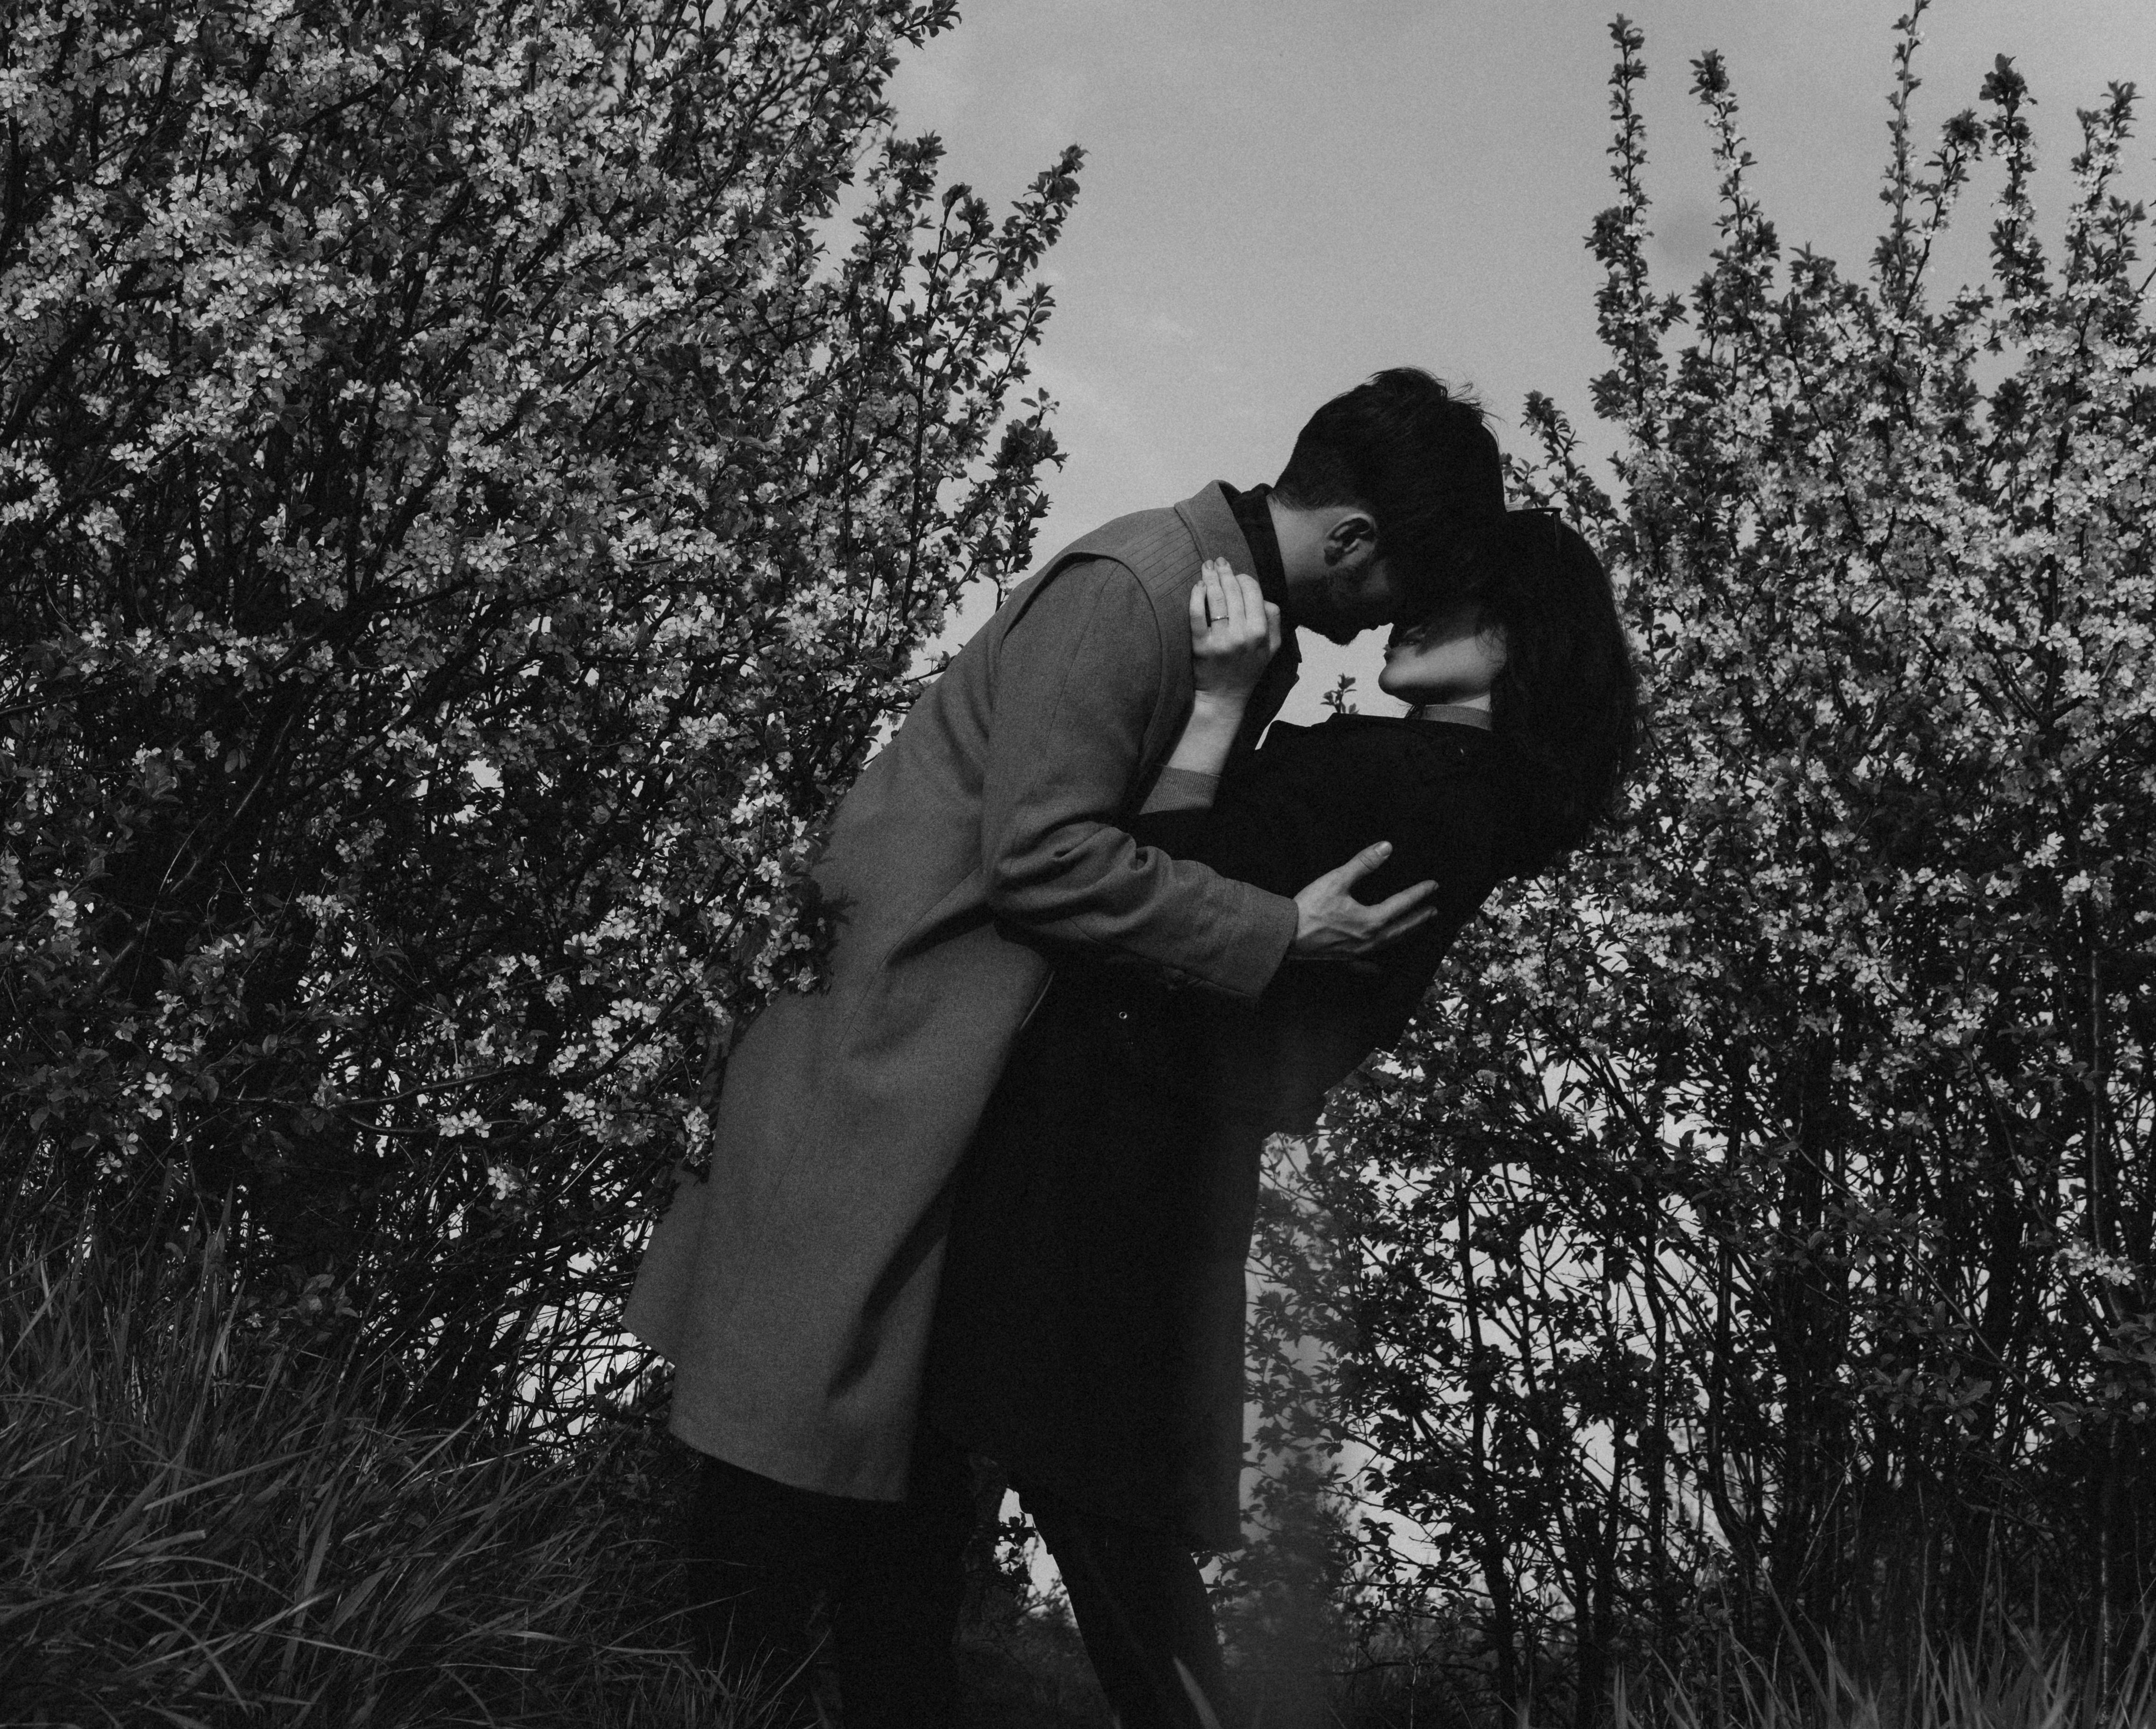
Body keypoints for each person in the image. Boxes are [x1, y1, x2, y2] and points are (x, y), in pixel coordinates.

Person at [622, 370, 1507, 1722]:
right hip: (893, 1045)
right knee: (782, 1445)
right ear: (1354, 543)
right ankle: (680, 1701)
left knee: (891, 1474)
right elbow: (1042, 860)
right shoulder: (1138, 592)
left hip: (962, 1064)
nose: (1380, 625)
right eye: (1397, 588)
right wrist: (1277, 927)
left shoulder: (1228, 622)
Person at [922, 511, 1639, 1725]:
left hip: (1122, 1151)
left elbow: (1150, 881)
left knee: (1088, 1516)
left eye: (1448, 599)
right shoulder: (1472, 802)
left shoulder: (1396, 778)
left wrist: (1214, 703)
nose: (1407, 613)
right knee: (1085, 1508)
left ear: (1516, 635)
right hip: (1179, 1161)